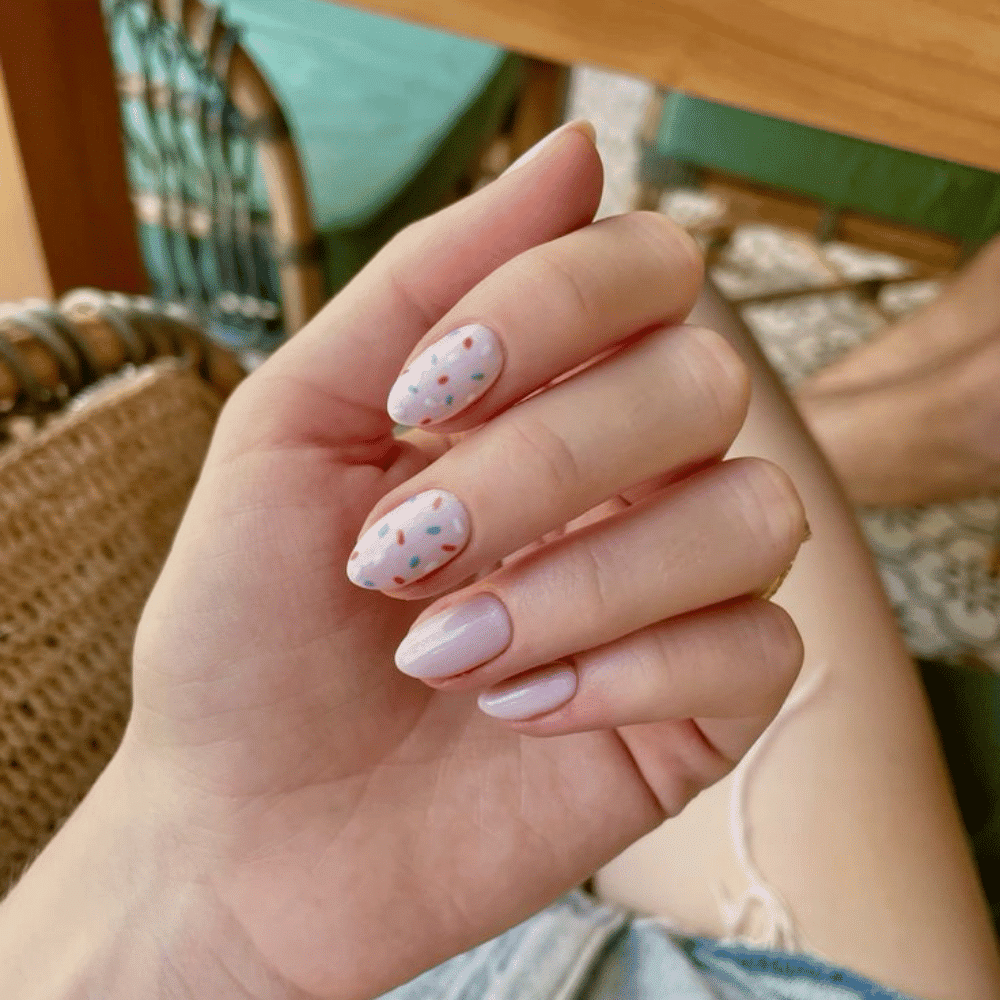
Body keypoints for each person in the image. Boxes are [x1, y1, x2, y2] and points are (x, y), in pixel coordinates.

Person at [0, 119, 997, 1000]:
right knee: (677, 376)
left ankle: (906, 416)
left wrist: (200, 889)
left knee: (641, 344)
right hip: (743, 970)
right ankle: (928, 421)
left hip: (365, 915)